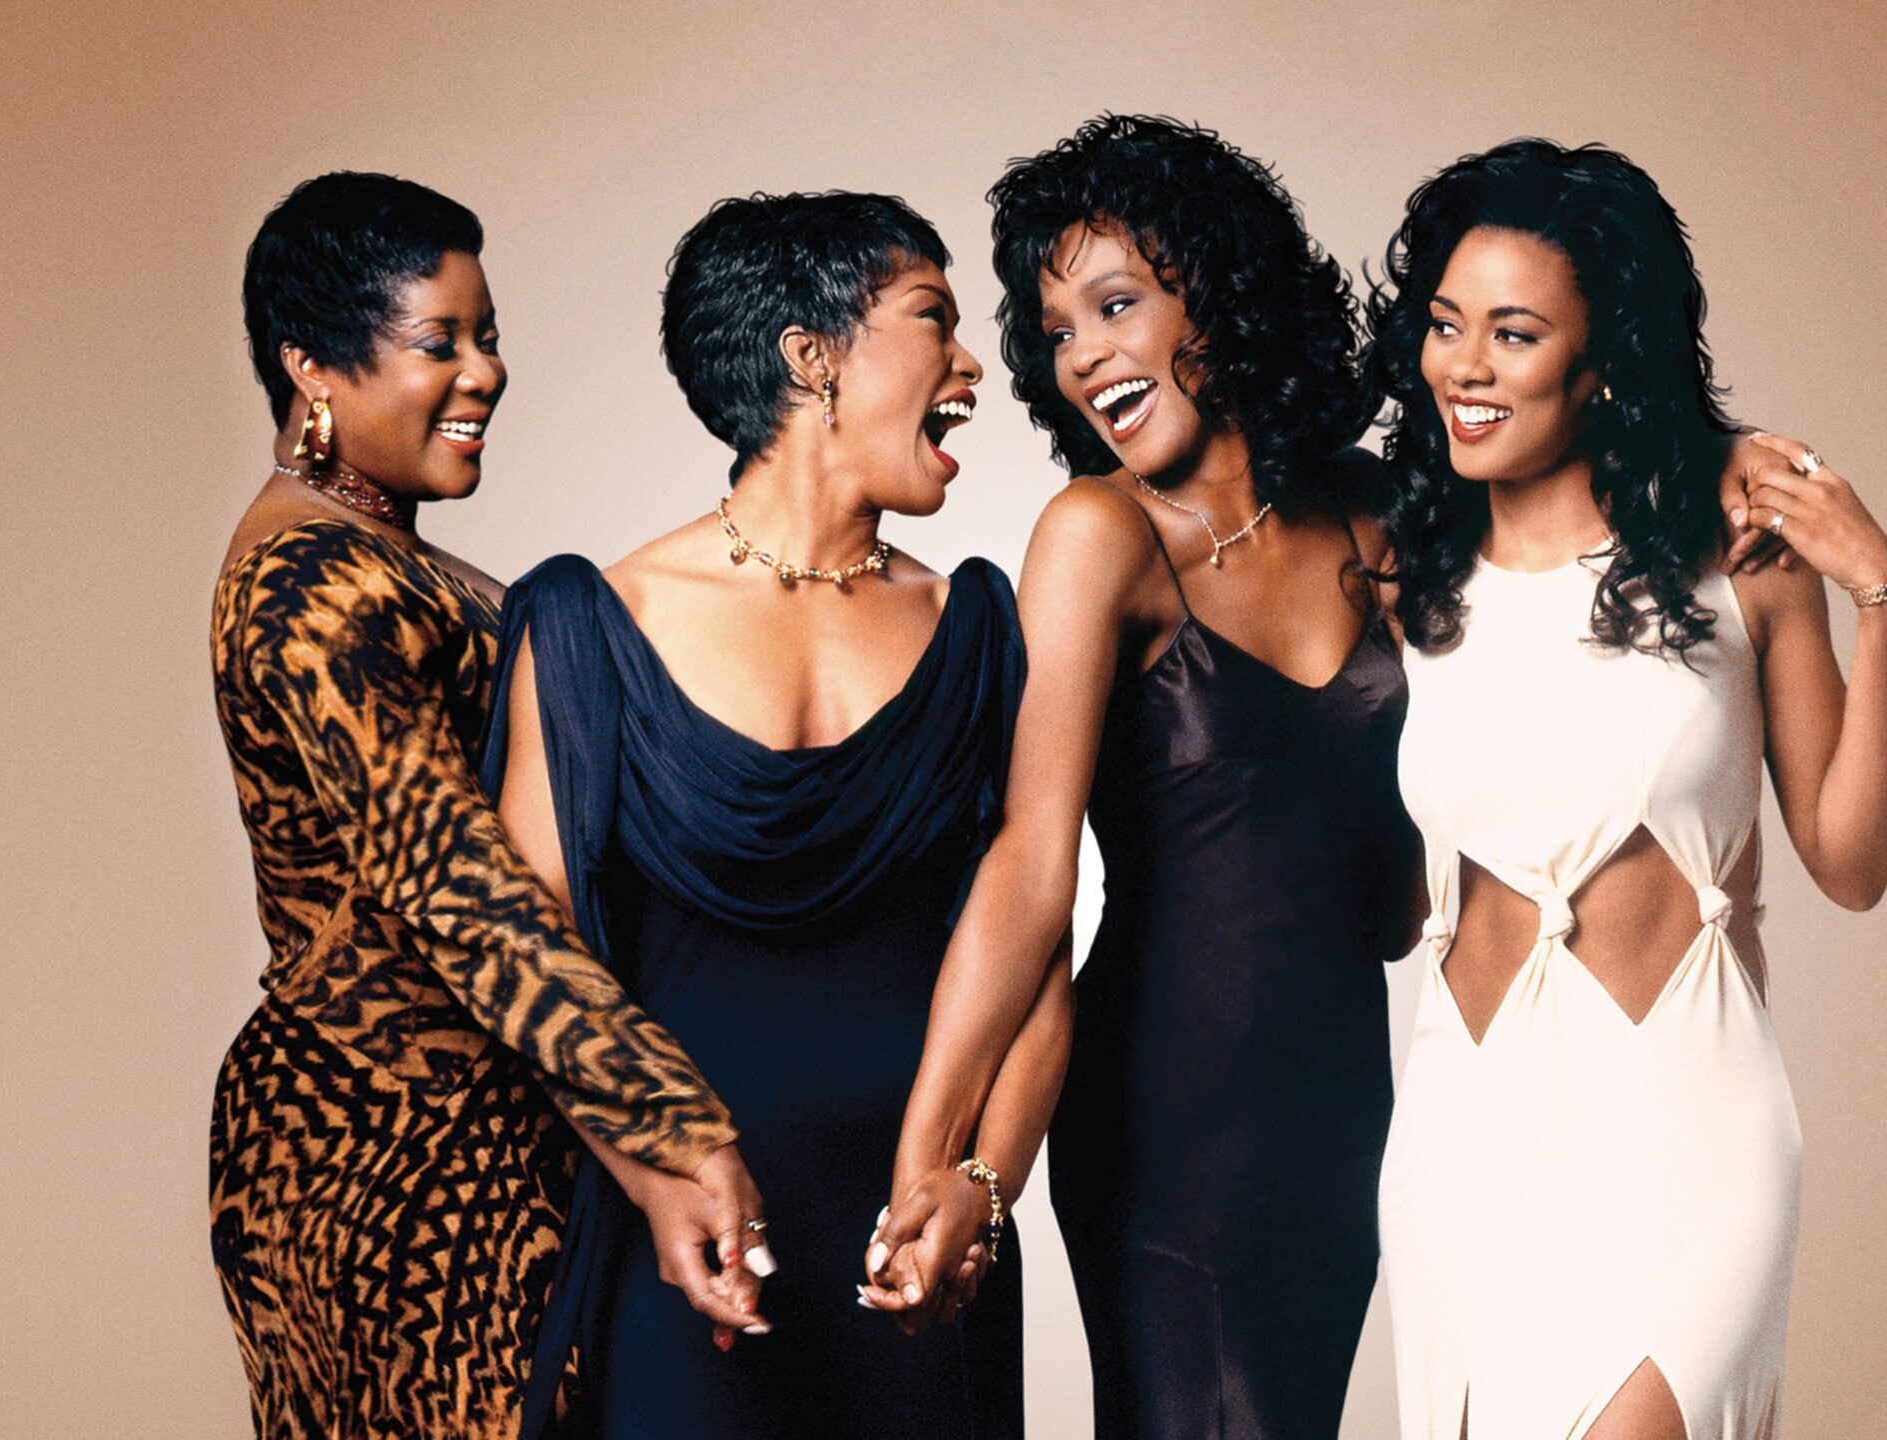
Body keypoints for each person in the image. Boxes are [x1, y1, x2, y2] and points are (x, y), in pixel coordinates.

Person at [868, 115, 1421, 1439]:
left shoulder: (1372, 512)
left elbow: (1407, 896)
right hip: (1169, 1112)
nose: (1083, 356)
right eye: (1057, 330)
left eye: (1116, 305)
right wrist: (931, 1158)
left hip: (1346, 1106)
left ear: (1219, 296)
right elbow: (1029, 864)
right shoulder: (1098, 534)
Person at [207, 170, 759, 1440]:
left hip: (492, 1126)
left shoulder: (381, 552)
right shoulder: (306, 585)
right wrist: (669, 1127)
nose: (486, 372)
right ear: (313, 368)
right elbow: (456, 886)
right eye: (439, 341)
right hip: (384, 1147)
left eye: (489, 335)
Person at [485, 190, 1024, 1439]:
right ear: (811, 356)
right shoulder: (588, 626)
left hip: (920, 1244)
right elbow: (532, 969)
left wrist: (980, 1185)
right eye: (933, 319)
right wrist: (657, 1176)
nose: (970, 366)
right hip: (691, 1238)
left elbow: (1033, 953)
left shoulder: (977, 626)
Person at [1370, 139, 1887, 1440]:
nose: (1464, 366)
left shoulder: (1740, 545)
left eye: (1514, 333)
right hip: (1467, 1127)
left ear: (1605, 361)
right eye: (1445, 325)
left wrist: (1881, 594)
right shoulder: (1405, 574)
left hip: (1681, 1130)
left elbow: (1850, 862)